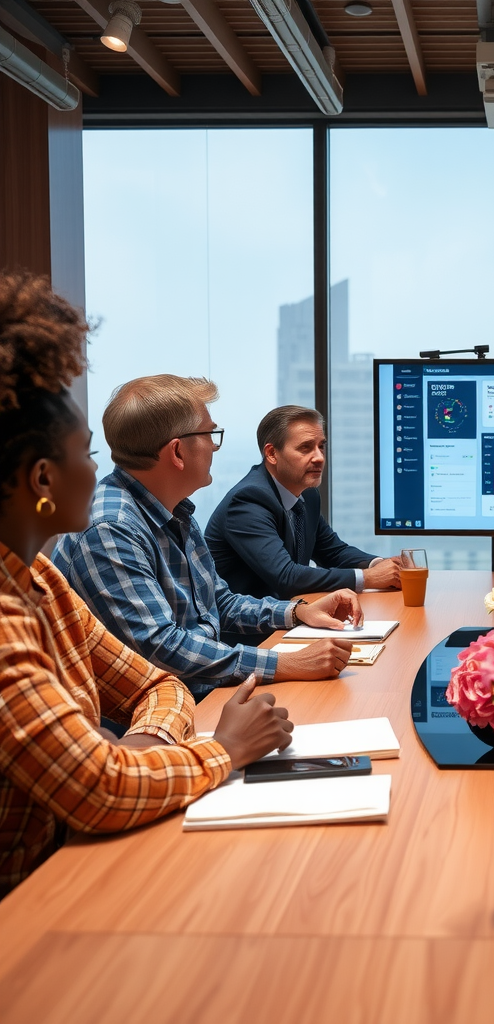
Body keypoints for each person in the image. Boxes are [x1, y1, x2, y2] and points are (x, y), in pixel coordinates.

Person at [0, 271, 295, 896]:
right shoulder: (9, 618)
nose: (99, 472)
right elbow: (99, 788)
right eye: (87, 454)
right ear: (44, 479)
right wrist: (224, 750)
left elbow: (158, 683)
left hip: (75, 854)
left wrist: (138, 750)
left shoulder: (41, 581)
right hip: (29, 892)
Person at [53, 376, 363, 701]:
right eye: (210, 435)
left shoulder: (175, 510)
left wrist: (297, 612)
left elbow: (218, 603)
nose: (215, 447)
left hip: (199, 691)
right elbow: (162, 648)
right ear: (178, 452)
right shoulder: (111, 529)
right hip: (154, 716)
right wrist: (288, 664)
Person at [206, 405, 401, 600]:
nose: (319, 457)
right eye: (305, 448)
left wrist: (381, 565)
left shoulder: (308, 494)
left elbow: (332, 551)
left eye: (321, 446)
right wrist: (368, 578)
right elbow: (286, 577)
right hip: (248, 618)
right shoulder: (247, 501)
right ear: (272, 454)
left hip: (290, 611)